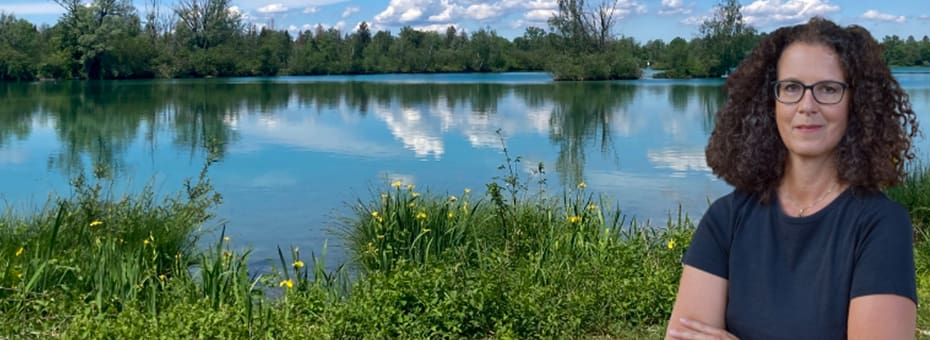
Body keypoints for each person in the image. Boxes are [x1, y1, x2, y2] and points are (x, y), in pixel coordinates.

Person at [666, 17, 919, 339]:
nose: (807, 105)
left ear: (857, 104)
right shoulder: (726, 220)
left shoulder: (881, 225)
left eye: (828, 89)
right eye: (791, 88)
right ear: (769, 101)